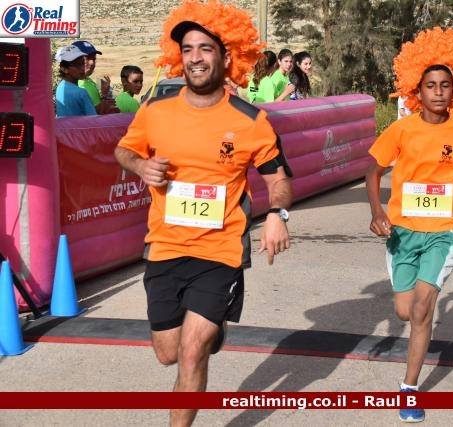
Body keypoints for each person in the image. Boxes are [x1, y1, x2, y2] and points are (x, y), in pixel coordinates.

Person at [113, 1, 292, 425]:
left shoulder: (252, 121)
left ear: (226, 57)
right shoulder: (155, 110)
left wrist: (276, 215)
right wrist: (140, 165)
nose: (195, 57)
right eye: (188, 48)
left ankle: (205, 332)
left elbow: (279, 179)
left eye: (206, 48)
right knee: (168, 353)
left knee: (191, 352)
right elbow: (124, 149)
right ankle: (211, 330)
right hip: (165, 246)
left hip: (220, 250)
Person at [366, 27, 453, 423]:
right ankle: (411, 322)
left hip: (444, 232)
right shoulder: (401, 129)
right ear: (417, 91)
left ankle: (409, 389)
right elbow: (373, 173)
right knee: (405, 310)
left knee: (423, 308)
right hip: (402, 232)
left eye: (445, 85)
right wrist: (377, 212)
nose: (439, 92)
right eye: (430, 86)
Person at [73, 40, 119, 114]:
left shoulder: (87, 79)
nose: (92, 63)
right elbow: (95, 113)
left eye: (94, 59)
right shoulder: (80, 86)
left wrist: (105, 94)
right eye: (87, 58)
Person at [54, 45, 97, 117]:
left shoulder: (60, 86)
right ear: (64, 69)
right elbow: (94, 120)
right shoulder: (81, 93)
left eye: (83, 63)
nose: (83, 68)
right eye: (77, 65)